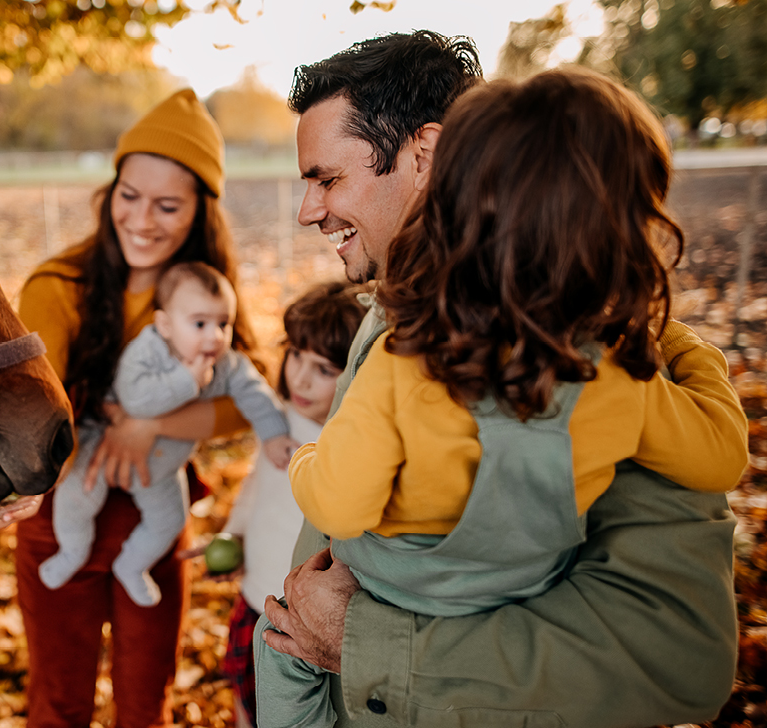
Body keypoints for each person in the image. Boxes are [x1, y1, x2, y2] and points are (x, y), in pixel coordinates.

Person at [261, 31, 743, 727]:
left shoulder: (617, 356)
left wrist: (359, 644)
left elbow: (681, 657)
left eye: (327, 179)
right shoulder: (398, 314)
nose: (307, 210)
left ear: (426, 155)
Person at [11, 89, 260, 728]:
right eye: (129, 196)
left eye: (167, 205)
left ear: (200, 214)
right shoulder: (56, 287)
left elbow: (246, 400)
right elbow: (35, 418)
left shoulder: (205, 293)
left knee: (145, 702)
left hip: (152, 526)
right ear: (110, 193)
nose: (142, 220)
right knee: (59, 704)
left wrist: (153, 426)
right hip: (61, 520)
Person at [40, 262, 293, 607]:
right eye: (200, 324)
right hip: (104, 445)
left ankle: (132, 565)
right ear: (165, 325)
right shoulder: (146, 352)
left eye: (224, 324)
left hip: (161, 468)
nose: (215, 336)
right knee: (76, 497)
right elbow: (136, 400)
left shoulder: (227, 365)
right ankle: (71, 551)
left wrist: (276, 434)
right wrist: (186, 382)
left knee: (169, 520)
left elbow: (256, 394)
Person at [213, 281, 367, 728]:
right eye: (295, 354)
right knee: (245, 698)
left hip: (301, 619)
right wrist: (234, 534)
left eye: (322, 368)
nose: (299, 377)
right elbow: (257, 489)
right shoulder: (280, 421)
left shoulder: (348, 446)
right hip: (251, 598)